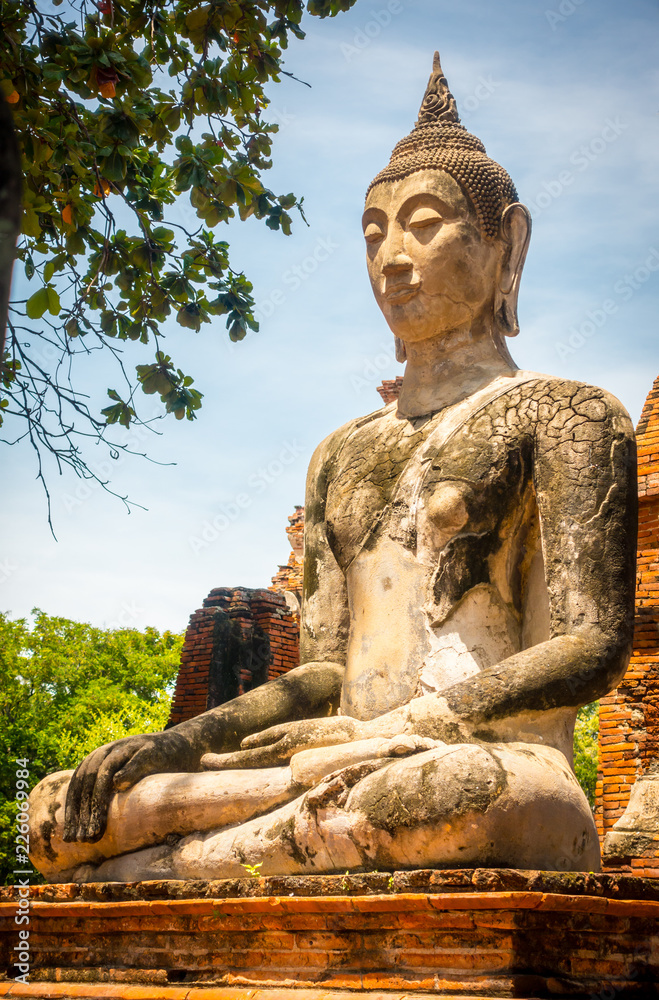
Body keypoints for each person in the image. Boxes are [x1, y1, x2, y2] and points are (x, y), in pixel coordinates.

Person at [29, 53, 636, 882]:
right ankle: (240, 845)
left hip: (475, 762)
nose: (391, 255)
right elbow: (322, 668)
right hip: (329, 763)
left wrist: (410, 724)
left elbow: (593, 641)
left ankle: (177, 860)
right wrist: (181, 741)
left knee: (448, 797)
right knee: (61, 805)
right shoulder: (340, 451)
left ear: (507, 244)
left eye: (425, 222)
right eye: (374, 231)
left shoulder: (566, 413)